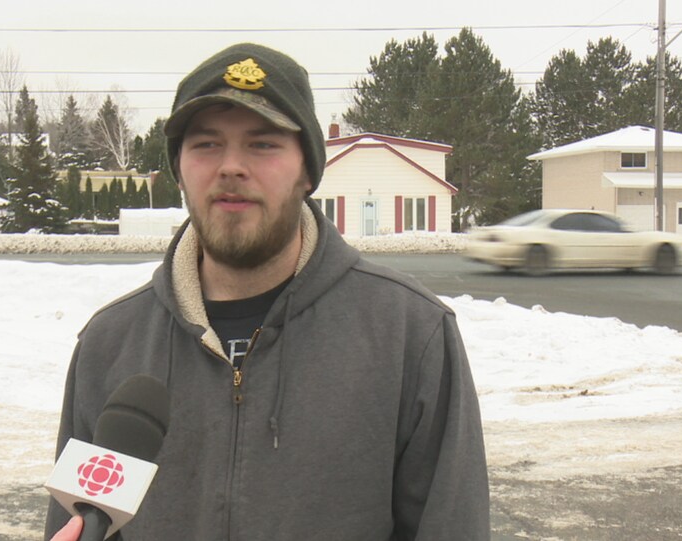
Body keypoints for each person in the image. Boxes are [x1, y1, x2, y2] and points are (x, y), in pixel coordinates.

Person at [45, 43, 489, 541]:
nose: (231, 167)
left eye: (263, 144)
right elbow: (78, 521)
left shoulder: (410, 334)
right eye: (206, 144)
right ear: (180, 170)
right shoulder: (110, 344)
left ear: (308, 172)